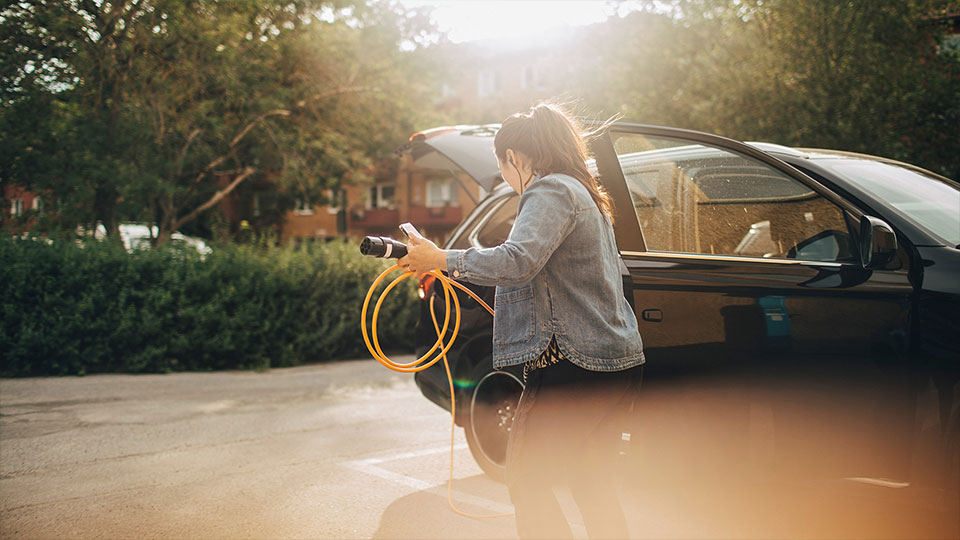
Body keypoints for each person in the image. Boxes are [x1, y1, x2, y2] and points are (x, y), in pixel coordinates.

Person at [398, 102, 645, 539]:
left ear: (513, 157)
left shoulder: (549, 191)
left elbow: (517, 261)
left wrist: (441, 256)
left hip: (573, 365)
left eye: (502, 166)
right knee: (594, 485)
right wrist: (445, 266)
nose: (507, 180)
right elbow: (547, 278)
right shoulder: (585, 193)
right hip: (616, 361)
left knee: (527, 479)